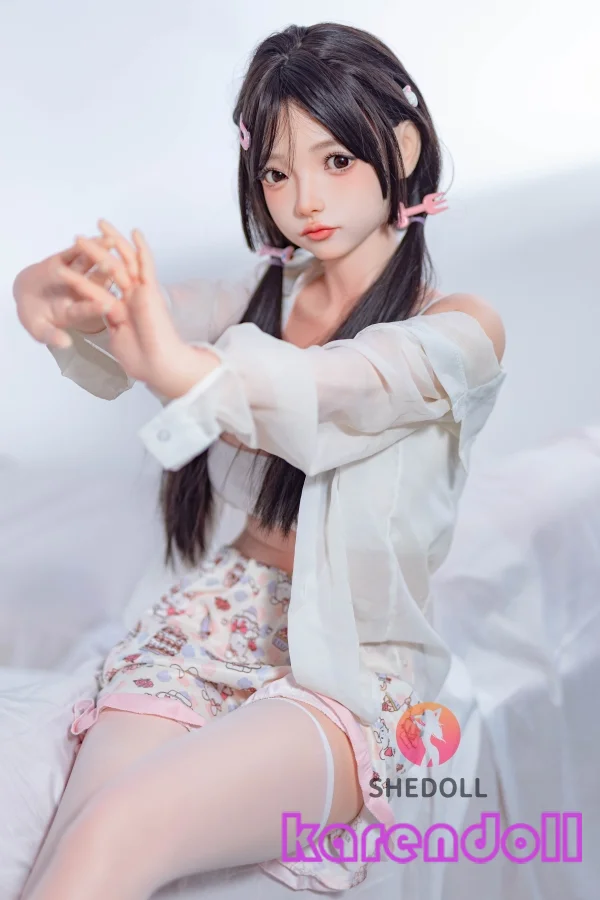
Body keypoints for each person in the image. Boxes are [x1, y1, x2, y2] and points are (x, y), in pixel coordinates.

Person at [13, 21, 506, 899]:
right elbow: (141, 319)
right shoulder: (254, 296)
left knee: (122, 828)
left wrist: (181, 369)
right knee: (79, 833)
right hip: (211, 619)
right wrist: (52, 295)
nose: (303, 198)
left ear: (401, 149)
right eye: (276, 173)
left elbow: (330, 393)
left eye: (335, 161)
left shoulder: (457, 332)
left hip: (347, 666)